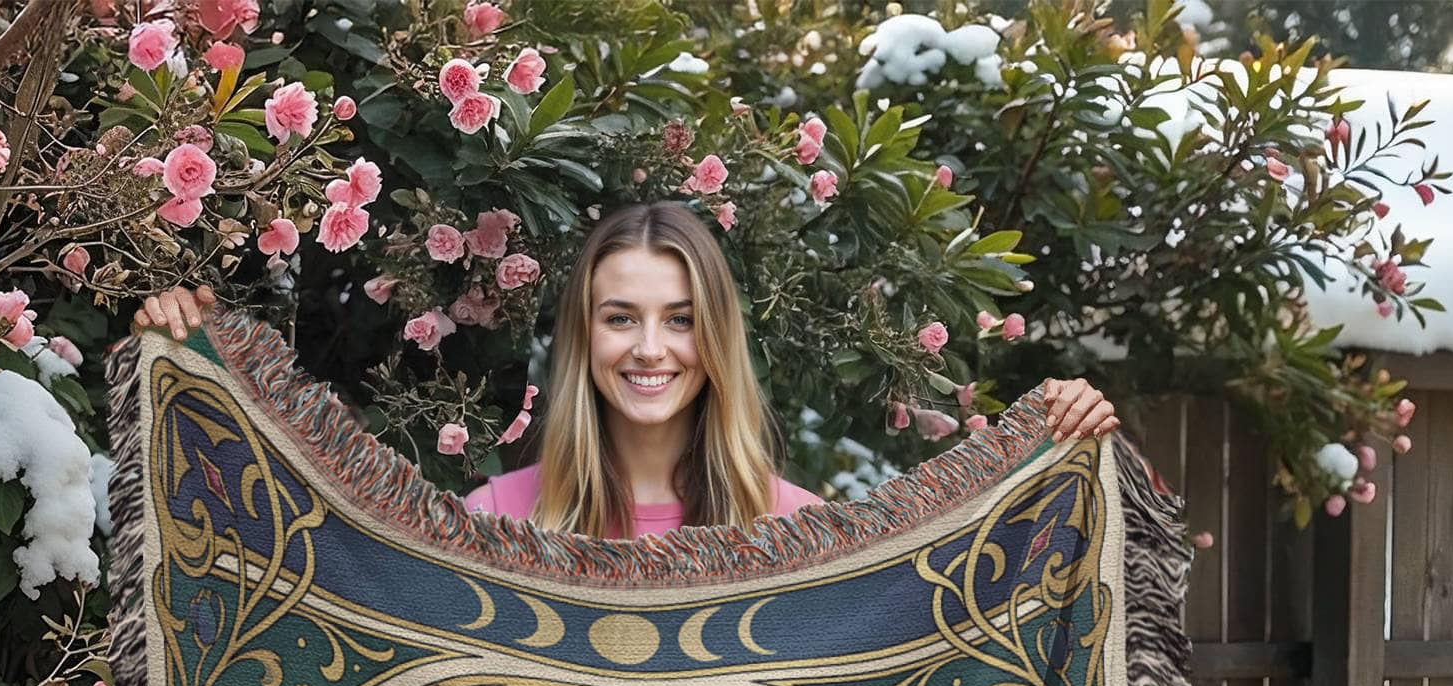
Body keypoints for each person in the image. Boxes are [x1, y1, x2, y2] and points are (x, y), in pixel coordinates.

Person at [131, 202, 1117, 541]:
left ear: (715, 343)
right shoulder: (493, 527)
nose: (650, 349)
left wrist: (1057, 441)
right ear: (581, 340)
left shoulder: (802, 535)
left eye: (679, 320)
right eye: (620, 318)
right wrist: (203, 372)